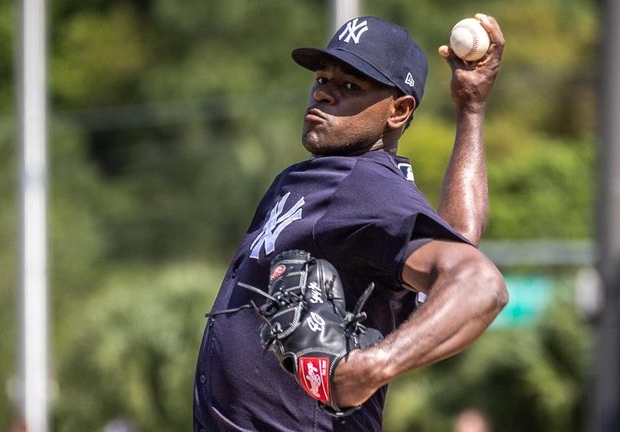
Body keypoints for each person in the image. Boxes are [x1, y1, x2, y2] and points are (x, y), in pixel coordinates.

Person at [193, 14, 507, 432]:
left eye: (350, 86)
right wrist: (470, 108)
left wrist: (374, 365)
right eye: (322, 79)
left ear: (398, 110)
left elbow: (478, 283)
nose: (324, 94)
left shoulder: (360, 183)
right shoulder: (321, 180)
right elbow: (459, 241)